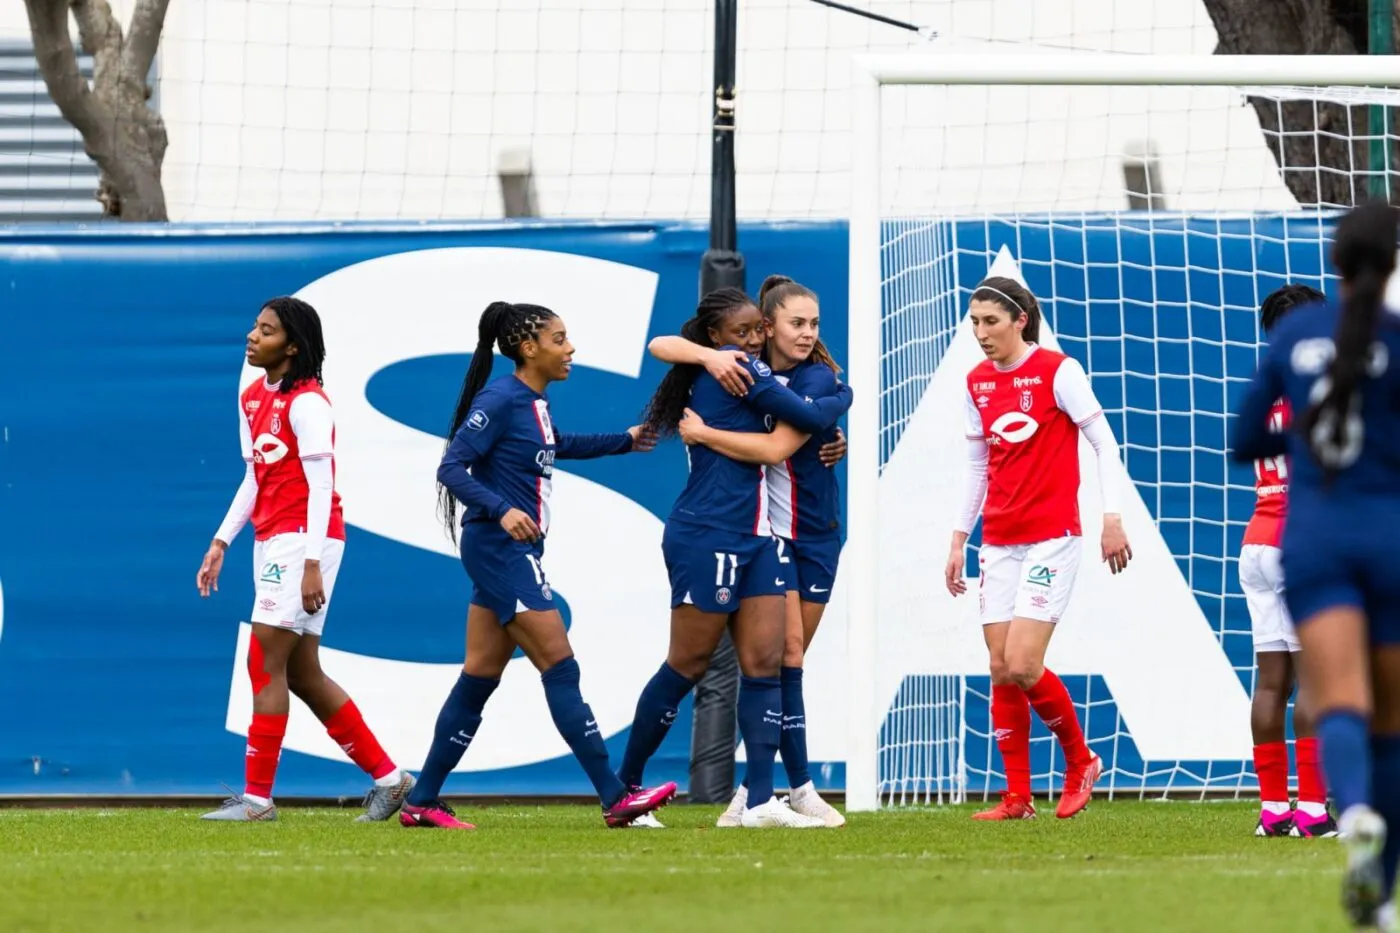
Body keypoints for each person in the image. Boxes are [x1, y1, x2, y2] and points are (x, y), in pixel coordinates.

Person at [399, 300, 677, 830]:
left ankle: (422, 800)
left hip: (505, 551)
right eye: (559, 338)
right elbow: (450, 467)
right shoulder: (502, 398)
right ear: (528, 348)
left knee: (479, 678)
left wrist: (624, 441)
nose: (570, 348)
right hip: (500, 549)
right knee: (561, 665)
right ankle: (616, 797)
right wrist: (502, 511)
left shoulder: (533, 402)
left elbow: (552, 447)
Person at [615, 287, 853, 829]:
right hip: (709, 532)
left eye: (752, 333)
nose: (748, 341)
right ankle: (621, 789)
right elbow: (794, 423)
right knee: (686, 666)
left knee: (768, 664)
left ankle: (759, 801)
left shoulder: (739, 367)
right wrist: (843, 399)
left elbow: (803, 420)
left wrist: (835, 405)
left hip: (759, 537)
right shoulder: (742, 372)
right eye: (741, 333)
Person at [1231, 202, 1400, 930]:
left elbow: (1242, 439)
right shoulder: (1393, 338)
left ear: (1335, 261)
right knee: (1388, 716)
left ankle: (1345, 812)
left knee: (1334, 695)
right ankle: (1370, 850)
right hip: (1387, 534)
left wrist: (1303, 440)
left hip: (1308, 539)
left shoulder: (1292, 336)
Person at [196, 296, 413, 822]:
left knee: (263, 661)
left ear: (292, 346)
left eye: (266, 330)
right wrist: (221, 541)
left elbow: (322, 486)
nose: (252, 335)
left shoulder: (309, 404)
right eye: (254, 326)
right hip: (274, 538)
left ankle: (257, 802)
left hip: (303, 538)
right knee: (301, 671)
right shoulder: (252, 397)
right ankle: (391, 779)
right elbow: (255, 477)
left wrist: (312, 560)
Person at [943, 276, 1131, 821]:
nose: (981, 333)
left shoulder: (1058, 371)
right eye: (974, 322)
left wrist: (1111, 517)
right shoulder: (976, 382)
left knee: (1025, 662)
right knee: (1001, 667)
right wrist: (959, 538)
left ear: (1020, 320)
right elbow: (978, 466)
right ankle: (1017, 797)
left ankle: (1082, 760)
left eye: (991, 321)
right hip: (998, 540)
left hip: (1052, 538)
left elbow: (1103, 442)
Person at [1240, 283, 1334, 839]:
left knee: (1271, 681)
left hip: (1257, 540)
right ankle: (1315, 811)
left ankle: (1273, 811)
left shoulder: (1265, 388)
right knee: (1321, 678)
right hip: (1303, 542)